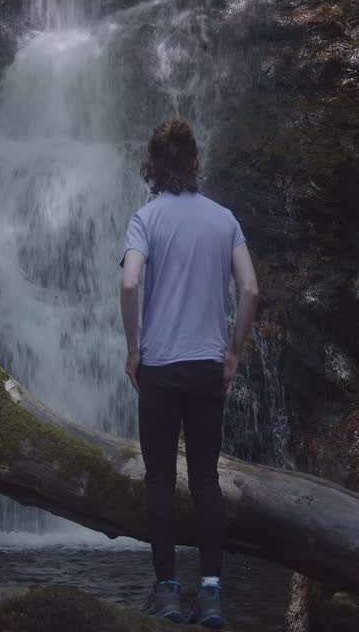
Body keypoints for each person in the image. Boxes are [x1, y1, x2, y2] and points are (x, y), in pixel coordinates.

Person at [120, 118, 260, 628]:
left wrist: (134, 349)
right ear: (195, 163)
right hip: (206, 366)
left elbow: (131, 283)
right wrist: (234, 351)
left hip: (159, 366)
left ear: (153, 166)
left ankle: (168, 593)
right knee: (204, 478)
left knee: (159, 477)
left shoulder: (145, 217)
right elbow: (249, 290)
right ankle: (213, 593)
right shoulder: (224, 219)